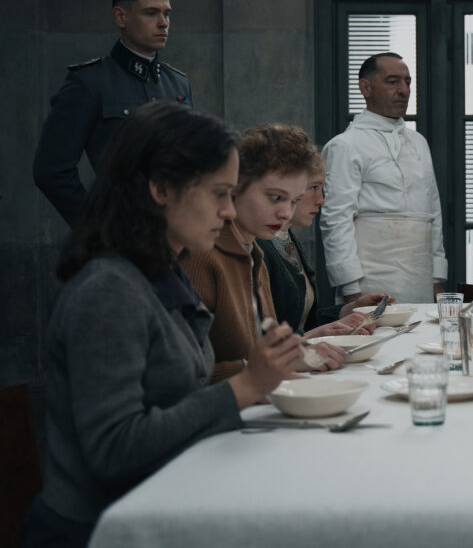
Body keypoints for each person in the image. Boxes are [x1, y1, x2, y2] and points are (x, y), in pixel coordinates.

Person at [21, 102, 302, 547]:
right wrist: (246, 386)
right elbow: (114, 450)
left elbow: (180, 399)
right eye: (219, 193)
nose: (229, 212)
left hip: (159, 503)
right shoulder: (109, 288)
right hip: (98, 530)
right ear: (161, 188)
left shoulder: (162, 272)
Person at [182, 124, 352, 383]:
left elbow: (265, 350)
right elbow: (182, 380)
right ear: (236, 187)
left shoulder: (255, 253)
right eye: (275, 197)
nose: (286, 213)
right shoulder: (202, 255)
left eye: (294, 201)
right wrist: (273, 364)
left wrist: (302, 349)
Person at [33, 0, 192, 226]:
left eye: (167, 14)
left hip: (176, 231)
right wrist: (96, 229)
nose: (163, 23)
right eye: (151, 13)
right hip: (121, 232)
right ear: (121, 17)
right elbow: (51, 171)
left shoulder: (178, 84)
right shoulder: (89, 83)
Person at [320, 52, 447, 303]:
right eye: (392, 82)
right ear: (365, 88)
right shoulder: (345, 145)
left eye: (407, 82)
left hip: (420, 278)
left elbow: (433, 214)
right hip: (369, 284)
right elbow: (336, 220)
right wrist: (351, 290)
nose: (403, 90)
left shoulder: (418, 142)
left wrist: (436, 279)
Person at [258, 149, 390, 332]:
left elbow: (306, 321)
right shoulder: (260, 248)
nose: (321, 200)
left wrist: (350, 309)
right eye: (314, 188)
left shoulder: (287, 237)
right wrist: (316, 335)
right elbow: (265, 336)